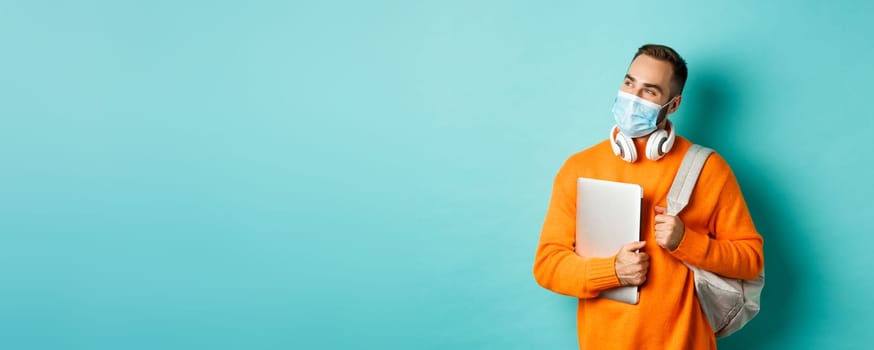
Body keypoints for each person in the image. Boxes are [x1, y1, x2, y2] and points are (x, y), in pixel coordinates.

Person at [532, 44, 764, 349]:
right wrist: (612, 271)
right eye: (629, 83)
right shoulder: (579, 168)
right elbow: (548, 265)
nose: (633, 98)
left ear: (673, 104)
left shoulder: (708, 169)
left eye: (650, 91)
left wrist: (686, 242)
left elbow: (751, 260)